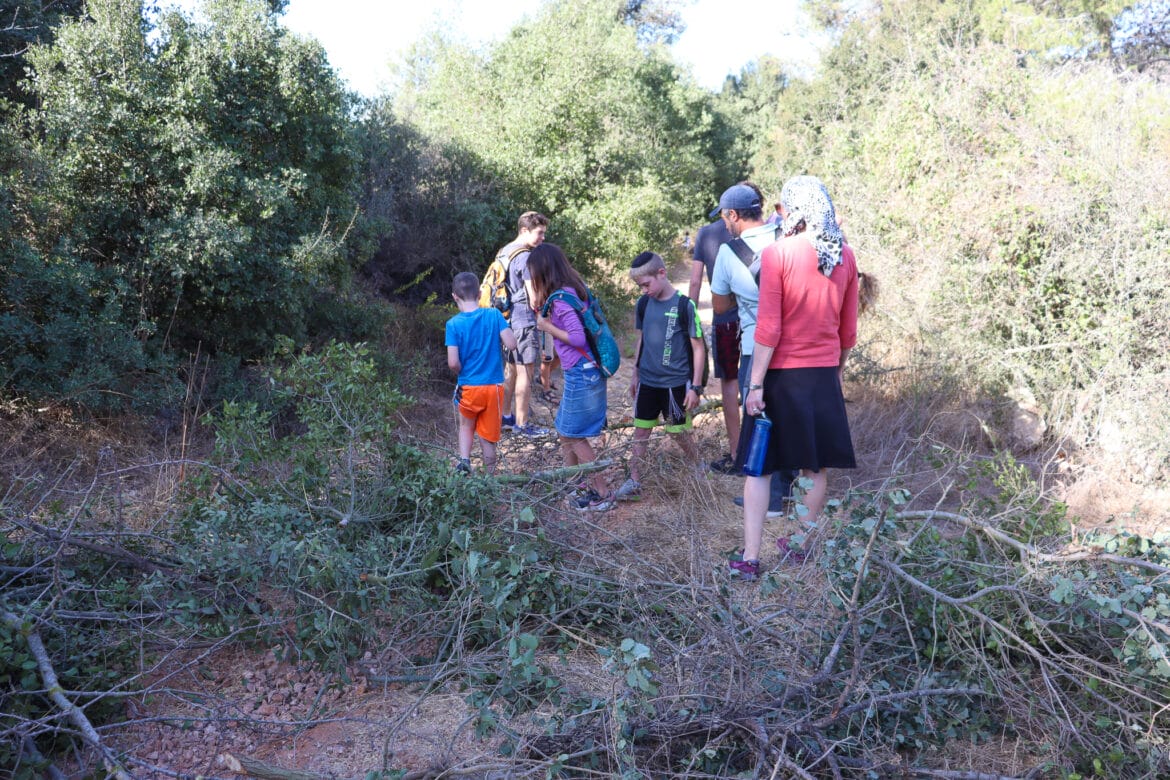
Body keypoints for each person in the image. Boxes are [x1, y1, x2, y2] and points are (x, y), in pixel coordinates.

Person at [730, 175, 859, 581]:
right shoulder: (846, 256)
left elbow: (768, 329)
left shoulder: (778, 253)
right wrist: (833, 374)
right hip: (821, 375)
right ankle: (801, 544)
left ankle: (751, 557)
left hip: (779, 375)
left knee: (759, 467)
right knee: (814, 467)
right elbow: (848, 332)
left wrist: (754, 385)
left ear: (793, 209)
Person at [708, 182, 793, 517]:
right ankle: (787, 488)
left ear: (733, 215)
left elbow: (718, 305)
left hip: (756, 347)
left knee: (760, 419)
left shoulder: (730, 253)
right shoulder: (787, 239)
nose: (725, 224)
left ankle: (768, 499)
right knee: (788, 416)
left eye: (725, 217)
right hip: (792, 346)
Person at [529, 243, 615, 511]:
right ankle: (577, 484)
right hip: (582, 372)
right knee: (564, 429)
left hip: (582, 373)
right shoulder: (574, 288)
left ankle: (601, 493)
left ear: (543, 272)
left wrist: (546, 326)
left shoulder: (561, 300)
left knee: (573, 433)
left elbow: (577, 338)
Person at [617, 252, 706, 499]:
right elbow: (642, 339)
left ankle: (698, 465)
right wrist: (635, 375)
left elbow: (698, 348)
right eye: (640, 286)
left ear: (662, 274)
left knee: (677, 431)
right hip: (648, 382)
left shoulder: (684, 305)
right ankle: (634, 480)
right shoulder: (643, 304)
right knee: (640, 432)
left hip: (675, 384)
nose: (644, 290)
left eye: (646, 284)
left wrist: (695, 387)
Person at [445, 272, 519, 474]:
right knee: (487, 437)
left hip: (468, 386)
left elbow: (452, 363)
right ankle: (490, 478)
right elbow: (511, 344)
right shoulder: (494, 315)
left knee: (466, 426)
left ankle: (464, 461)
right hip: (493, 387)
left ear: (455, 296)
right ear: (479, 293)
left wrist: (461, 370)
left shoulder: (453, 324)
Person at [687, 216, 738, 473]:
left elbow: (695, 280)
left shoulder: (706, 233)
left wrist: (689, 318)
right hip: (757, 317)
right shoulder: (764, 230)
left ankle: (736, 452)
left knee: (729, 382)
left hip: (725, 320)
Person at [499, 211, 551, 437]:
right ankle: (523, 424)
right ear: (524, 230)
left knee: (511, 370)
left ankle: (505, 417)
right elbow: (533, 298)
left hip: (506, 321)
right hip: (524, 321)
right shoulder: (526, 257)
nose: (542, 238)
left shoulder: (504, 251)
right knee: (526, 373)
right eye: (539, 233)